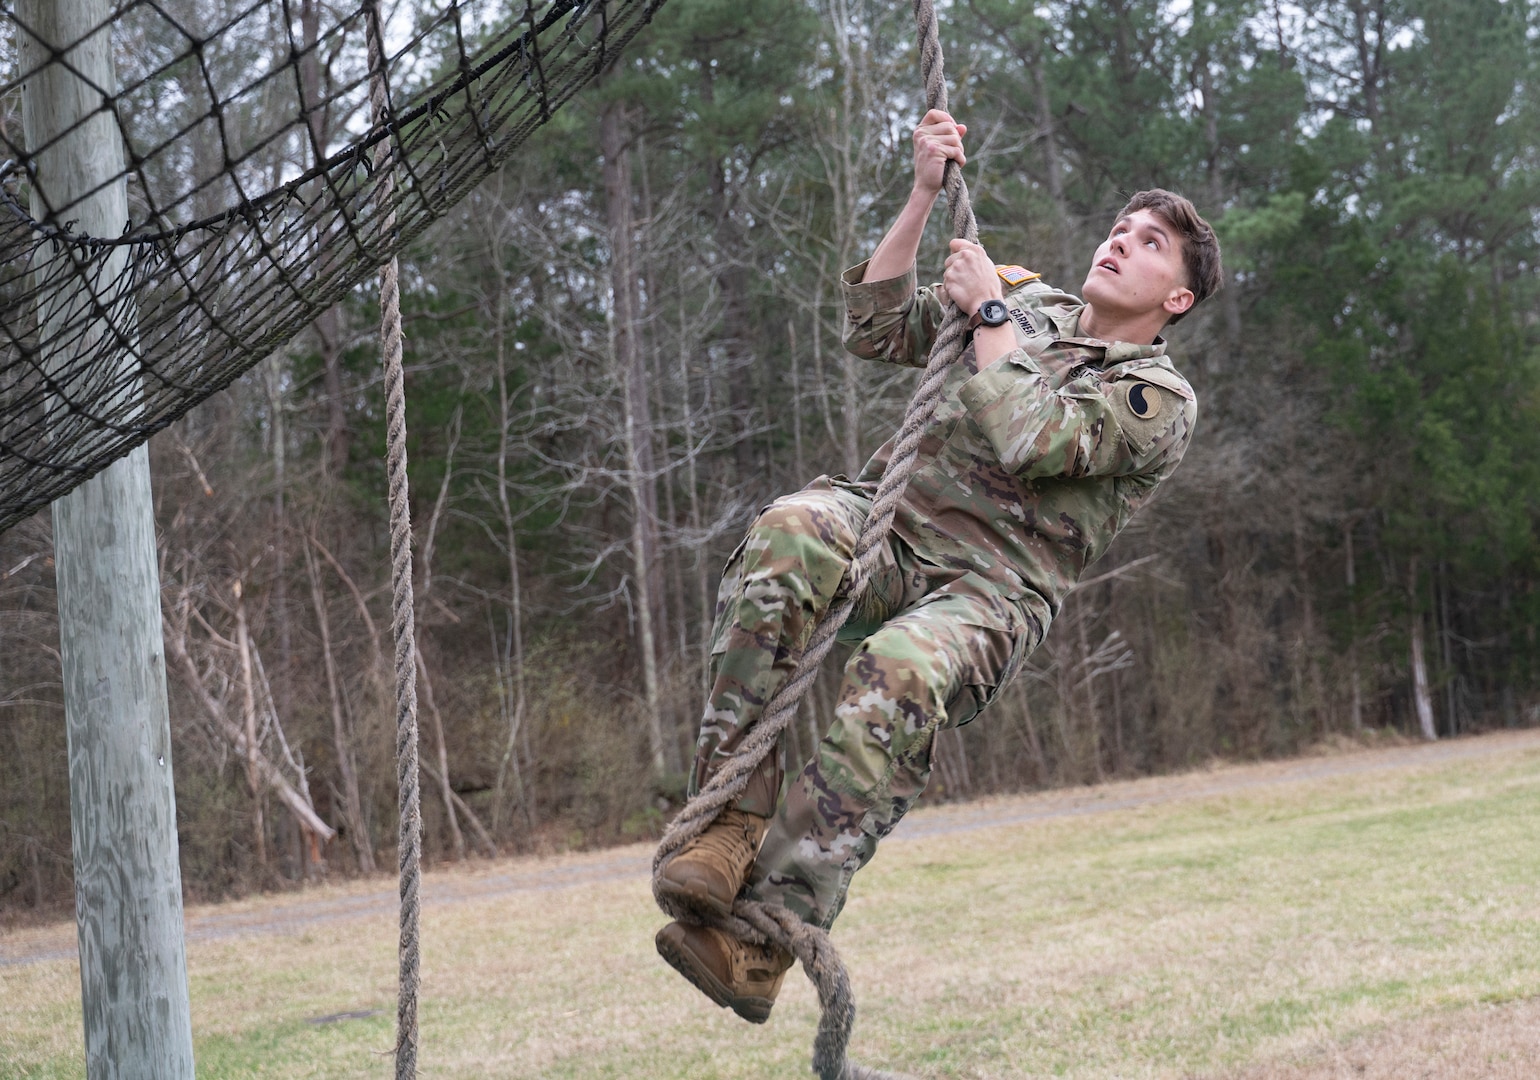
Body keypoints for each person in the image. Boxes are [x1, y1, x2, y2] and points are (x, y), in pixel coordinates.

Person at [654, 109, 1223, 1023]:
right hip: (894, 531)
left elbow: (1031, 435)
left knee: (901, 673)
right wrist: (922, 197)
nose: (1121, 242)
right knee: (791, 527)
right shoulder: (1028, 301)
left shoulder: (1155, 398)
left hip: (988, 593)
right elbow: (875, 326)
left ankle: (764, 936)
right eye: (1121, 227)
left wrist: (989, 309)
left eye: (1150, 243)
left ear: (1178, 299)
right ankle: (726, 824)